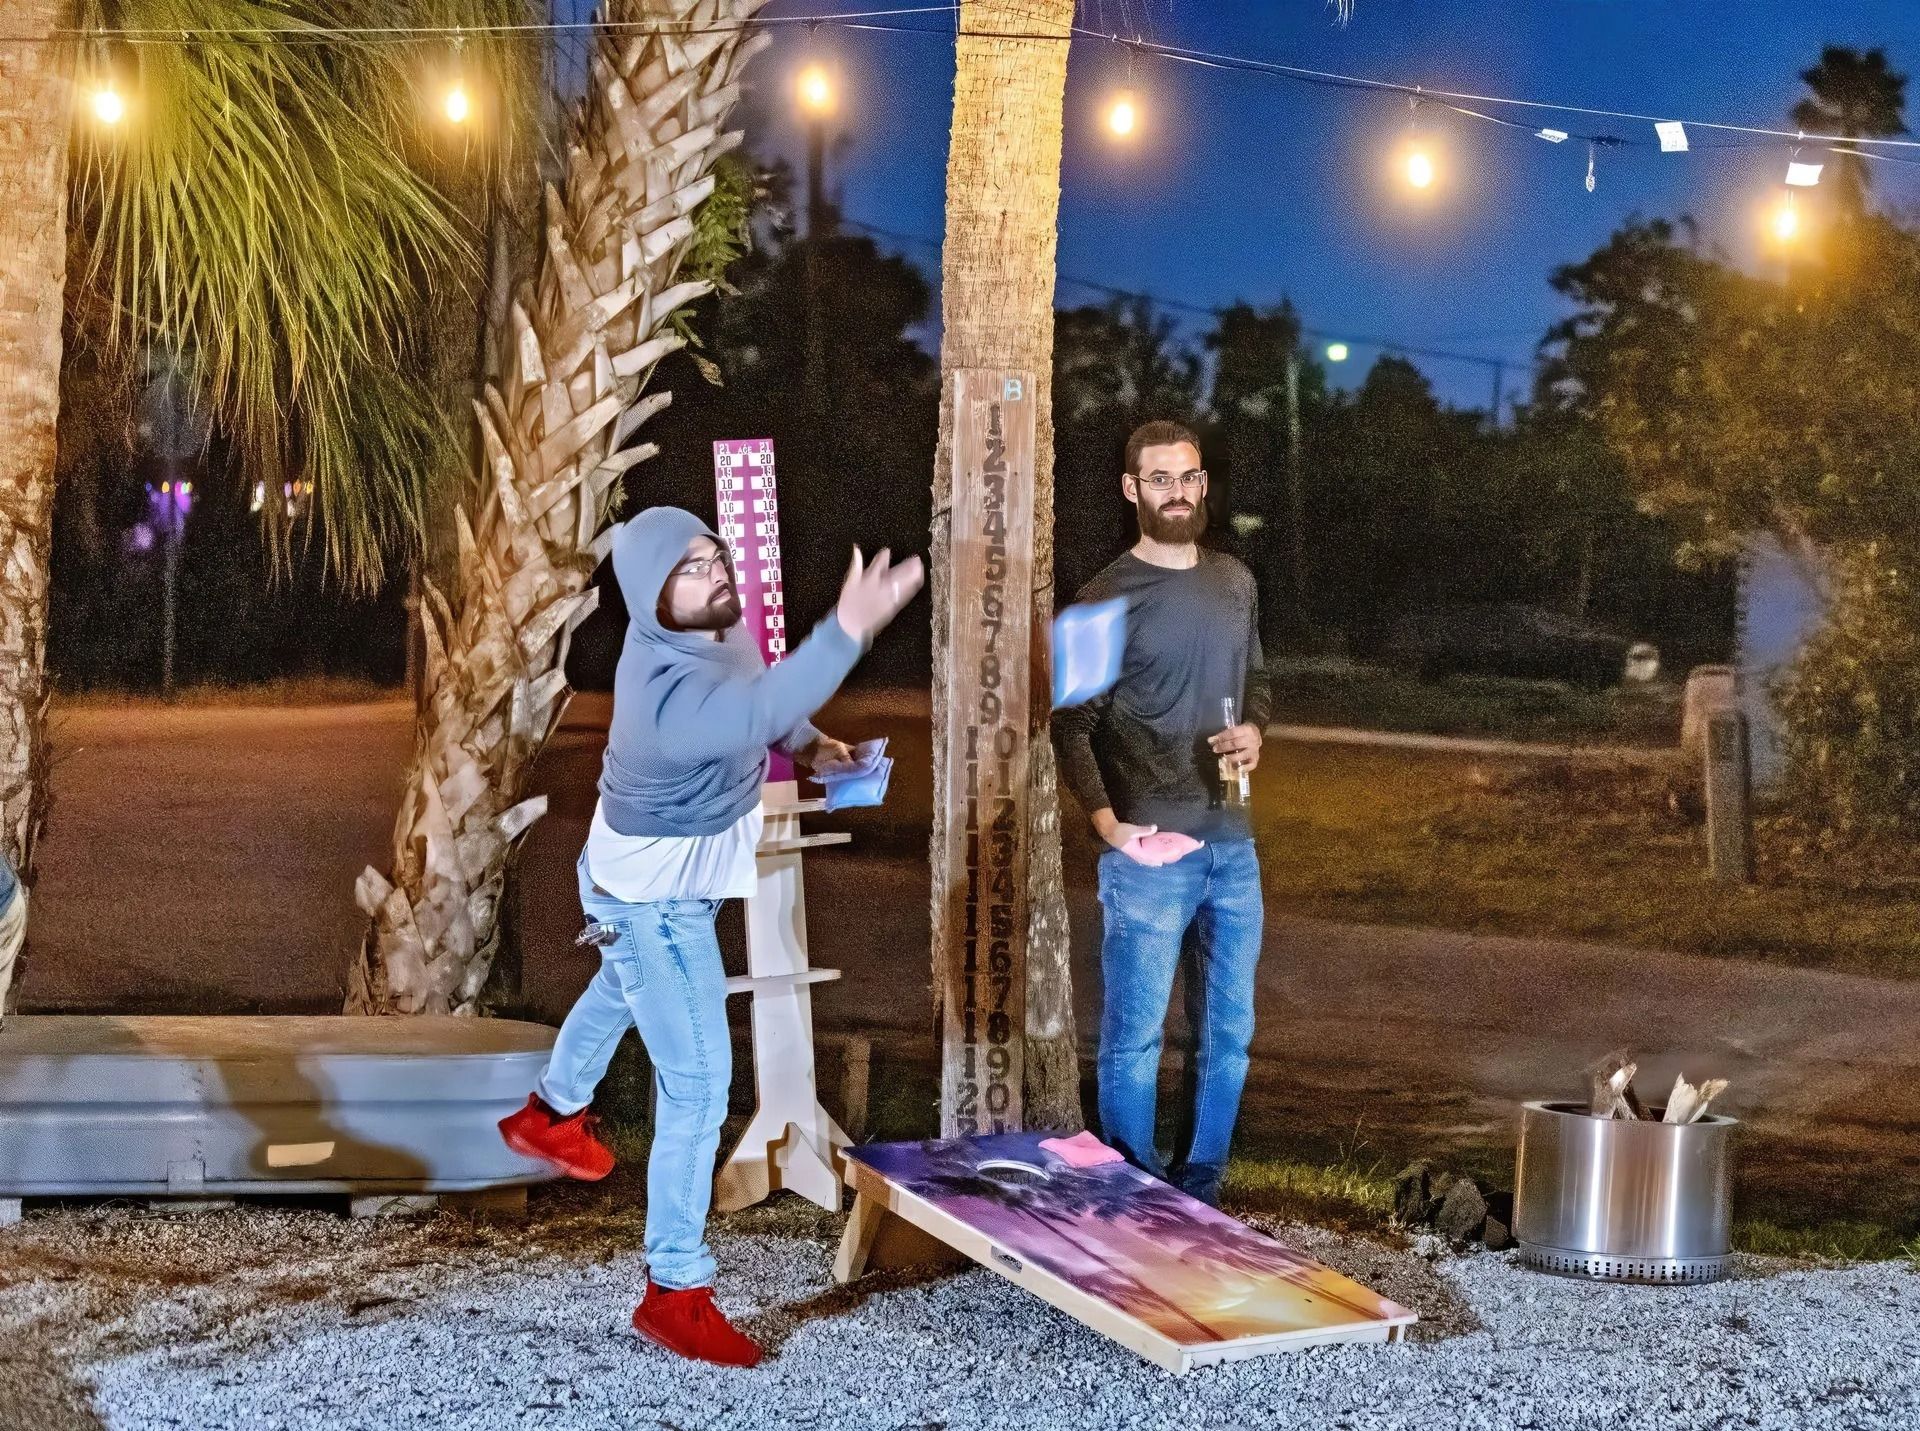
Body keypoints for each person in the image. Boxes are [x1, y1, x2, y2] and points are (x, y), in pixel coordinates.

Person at [499, 505, 922, 1368]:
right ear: (652, 602)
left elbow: (764, 705)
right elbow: (753, 704)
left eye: (713, 556)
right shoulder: (663, 699)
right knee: (697, 1085)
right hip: (655, 902)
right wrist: (845, 630)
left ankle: (550, 1111)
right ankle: (674, 1291)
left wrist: (816, 748)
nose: (715, 573)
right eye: (688, 570)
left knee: (620, 987)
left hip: (636, 886)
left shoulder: (714, 637)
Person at [1051, 420, 1272, 1208]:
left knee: (1229, 1033)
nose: (1176, 492)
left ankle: (1203, 1182)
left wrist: (1255, 730)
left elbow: (1257, 686)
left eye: (1187, 477)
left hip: (1233, 847)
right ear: (1131, 489)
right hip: (1149, 850)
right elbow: (1068, 724)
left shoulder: (1236, 582)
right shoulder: (1099, 598)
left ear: (1203, 484)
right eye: (1158, 479)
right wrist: (1110, 827)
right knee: (1135, 1037)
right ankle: (1131, 1189)